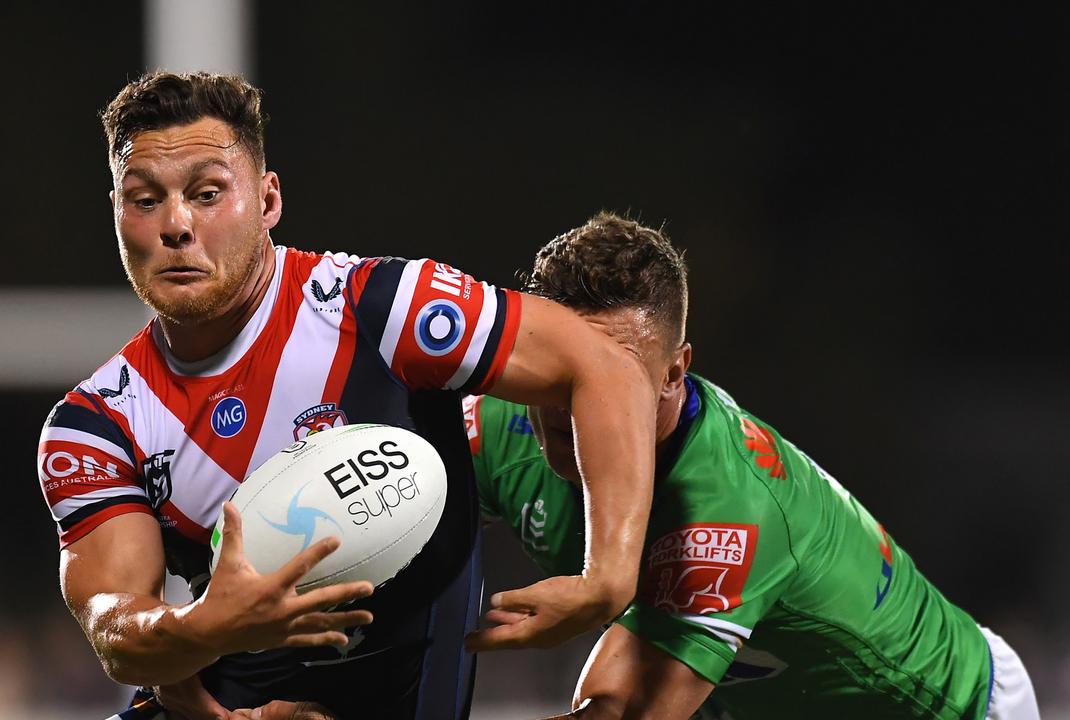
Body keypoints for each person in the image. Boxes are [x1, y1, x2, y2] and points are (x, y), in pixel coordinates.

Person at [36, 72, 659, 718]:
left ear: (268, 199)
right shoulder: (97, 423)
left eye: (207, 193)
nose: (176, 225)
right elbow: (118, 628)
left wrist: (608, 579)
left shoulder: (382, 311)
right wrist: (210, 649)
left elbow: (605, 366)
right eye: (144, 201)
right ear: (115, 212)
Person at [464, 212, 1041, 719]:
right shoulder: (495, 422)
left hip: (944, 706)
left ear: (675, 371)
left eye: (620, 377)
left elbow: (621, 708)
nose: (580, 406)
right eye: (565, 373)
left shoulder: (729, 507)